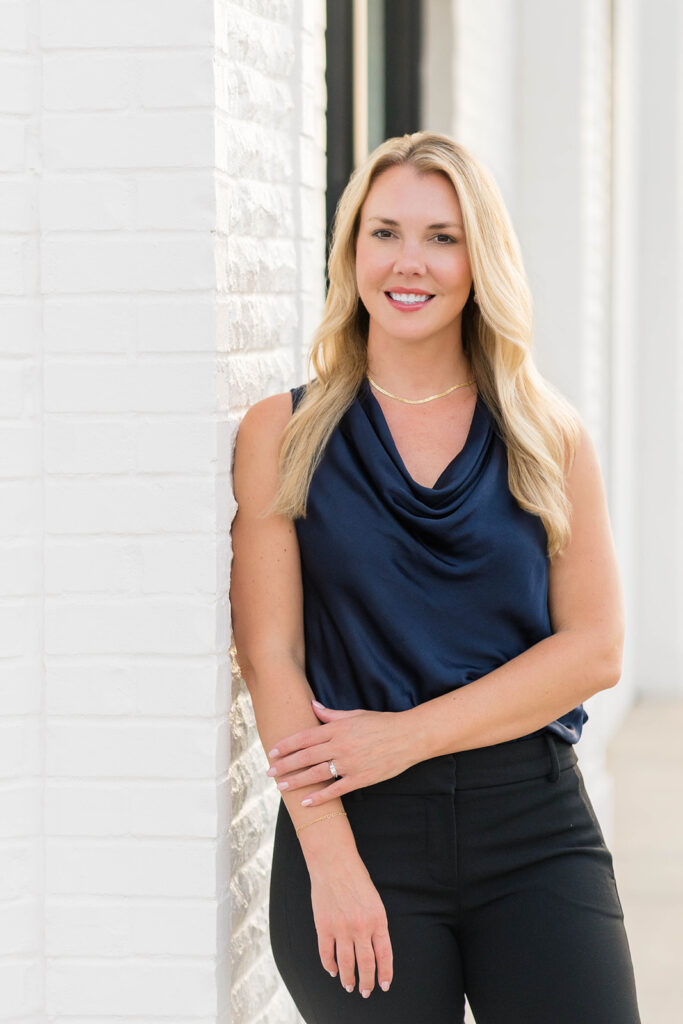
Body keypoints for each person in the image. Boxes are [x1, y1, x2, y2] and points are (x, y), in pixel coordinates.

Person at [229, 131, 641, 1023]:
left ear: (477, 258)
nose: (407, 262)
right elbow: (271, 658)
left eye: (441, 237)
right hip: (355, 831)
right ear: (350, 252)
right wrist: (330, 861)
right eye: (383, 233)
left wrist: (406, 735)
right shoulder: (282, 433)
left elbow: (595, 649)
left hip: (532, 827)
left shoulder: (545, 433)